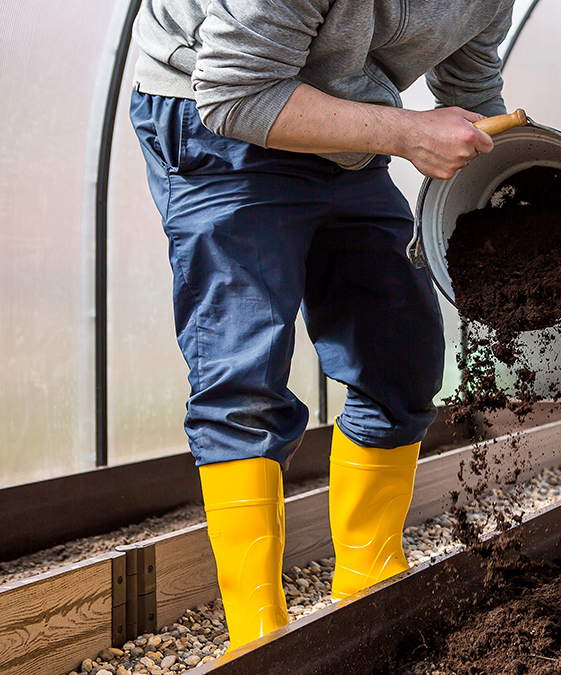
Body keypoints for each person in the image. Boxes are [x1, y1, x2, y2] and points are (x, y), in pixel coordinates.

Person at [129, 0, 515, 650]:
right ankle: (258, 641)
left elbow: (473, 93)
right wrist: (402, 131)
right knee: (244, 376)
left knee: (400, 351)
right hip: (219, 118)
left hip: (343, 123)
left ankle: (369, 591)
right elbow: (235, 92)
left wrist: (503, 182)